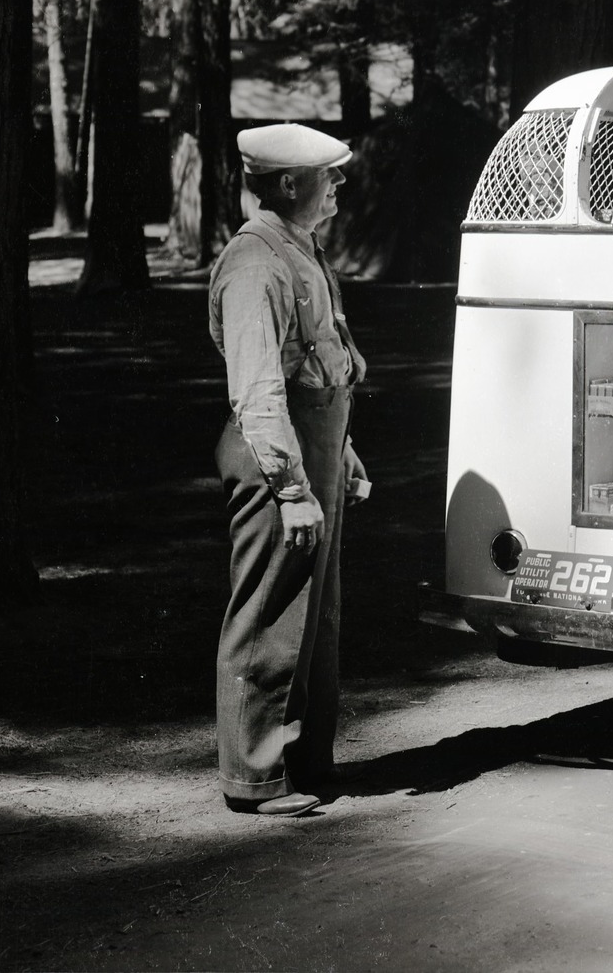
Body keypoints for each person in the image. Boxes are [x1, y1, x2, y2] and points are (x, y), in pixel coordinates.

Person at [208, 122, 371, 817]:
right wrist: (292, 487)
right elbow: (256, 389)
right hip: (277, 453)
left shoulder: (299, 249)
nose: (337, 187)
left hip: (313, 446)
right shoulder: (257, 264)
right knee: (271, 612)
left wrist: (342, 452)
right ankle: (253, 776)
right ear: (285, 184)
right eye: (327, 176)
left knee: (314, 617)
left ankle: (303, 761)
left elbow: (321, 359)